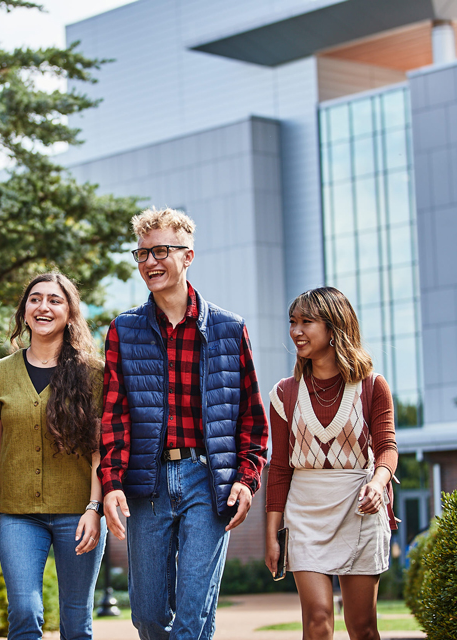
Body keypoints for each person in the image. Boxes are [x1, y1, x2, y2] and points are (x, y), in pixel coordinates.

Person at [99, 207, 270, 640]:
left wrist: (246, 479)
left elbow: (250, 415)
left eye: (161, 251)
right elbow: (115, 414)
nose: (150, 263)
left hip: (208, 480)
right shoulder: (124, 330)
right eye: (142, 255)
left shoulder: (230, 329)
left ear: (188, 255)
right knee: (149, 616)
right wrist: (112, 482)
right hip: (147, 483)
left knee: (192, 618)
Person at [0, 273, 106, 640]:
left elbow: (101, 451)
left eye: (54, 300)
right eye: (35, 299)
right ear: (24, 310)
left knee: (76, 621)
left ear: (69, 313)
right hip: (18, 515)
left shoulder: (93, 374)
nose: (43, 307)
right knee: (24, 612)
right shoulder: (1, 373)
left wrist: (94, 509)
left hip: (79, 513)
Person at [265, 286, 398, 640]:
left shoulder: (372, 385)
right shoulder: (283, 393)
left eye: (307, 322)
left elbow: (387, 448)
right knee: (318, 621)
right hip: (304, 514)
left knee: (363, 628)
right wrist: (272, 532)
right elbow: (279, 467)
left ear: (334, 326)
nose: (296, 331)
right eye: (293, 322)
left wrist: (378, 483)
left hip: (360, 508)